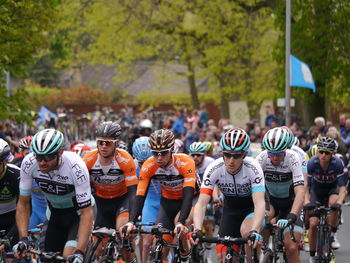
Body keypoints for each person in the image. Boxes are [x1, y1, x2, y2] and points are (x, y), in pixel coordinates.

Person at [15, 129, 94, 263]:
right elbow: (23, 203)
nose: (42, 162)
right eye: (38, 157)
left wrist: (80, 251)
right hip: (54, 214)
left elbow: (86, 212)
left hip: (78, 216)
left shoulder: (76, 166)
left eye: (48, 157)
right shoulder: (29, 163)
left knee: (69, 256)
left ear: (60, 153)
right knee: (47, 258)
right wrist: (23, 239)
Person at [192, 128, 265, 263]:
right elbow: (201, 203)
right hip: (230, 210)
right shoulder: (214, 168)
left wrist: (255, 230)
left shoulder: (253, 167)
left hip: (251, 209)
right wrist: (197, 229)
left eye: (236, 155)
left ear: (245, 154)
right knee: (222, 257)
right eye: (227, 154)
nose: (231, 160)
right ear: (222, 153)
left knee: (247, 235)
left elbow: (260, 203)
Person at [123, 129, 196, 263]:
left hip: (187, 202)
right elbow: (140, 196)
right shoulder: (149, 165)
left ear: (172, 149)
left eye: (163, 153)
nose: (159, 158)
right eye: (155, 153)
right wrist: (131, 222)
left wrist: (181, 222)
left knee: (179, 229)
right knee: (160, 248)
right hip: (167, 203)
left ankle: (185, 258)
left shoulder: (185, 162)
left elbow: (188, 195)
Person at [83, 121, 137, 263]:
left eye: (108, 143)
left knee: (124, 232)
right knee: (98, 246)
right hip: (101, 202)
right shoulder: (88, 160)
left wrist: (132, 220)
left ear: (116, 143)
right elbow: (83, 189)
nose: (103, 146)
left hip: (122, 200)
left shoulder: (125, 159)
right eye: (100, 142)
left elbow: (133, 192)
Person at [256, 127, 305, 263]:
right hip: (271, 202)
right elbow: (254, 189)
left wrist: (292, 215)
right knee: (259, 225)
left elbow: (300, 190)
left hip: (290, 203)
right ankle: (262, 254)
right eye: (271, 154)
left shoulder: (292, 158)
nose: (275, 157)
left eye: (279, 154)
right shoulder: (261, 158)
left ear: (286, 150)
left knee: (291, 248)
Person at [306, 137, 347, 263]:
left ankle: (332, 233)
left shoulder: (338, 164)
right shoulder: (312, 163)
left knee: (334, 204)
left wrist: (339, 203)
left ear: (333, 154)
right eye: (321, 151)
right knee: (313, 224)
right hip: (316, 190)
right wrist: (307, 202)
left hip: (331, 189)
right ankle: (312, 256)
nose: (323, 155)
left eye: (327, 153)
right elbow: (305, 187)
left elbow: (342, 189)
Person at [132, 137, 161, 263]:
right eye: (140, 163)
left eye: (147, 162)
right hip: (149, 202)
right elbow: (135, 193)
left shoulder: (162, 163)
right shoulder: (133, 166)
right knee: (146, 242)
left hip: (166, 201)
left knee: (165, 239)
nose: (144, 167)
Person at [188, 141, 215, 261]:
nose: (195, 158)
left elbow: (216, 183)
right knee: (187, 219)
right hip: (193, 194)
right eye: (193, 155)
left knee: (208, 224)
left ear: (204, 155)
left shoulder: (210, 163)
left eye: (198, 155)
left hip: (207, 193)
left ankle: (208, 255)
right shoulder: (188, 163)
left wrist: (216, 197)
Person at [0, 139, 20, 249]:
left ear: (5, 162)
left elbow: (25, 208)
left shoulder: (15, 175)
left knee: (10, 256)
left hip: (12, 219)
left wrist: (9, 237)